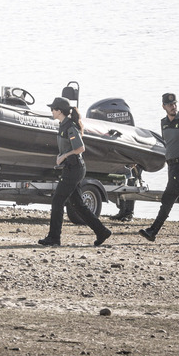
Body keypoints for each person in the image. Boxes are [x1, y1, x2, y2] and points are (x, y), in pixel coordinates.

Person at [38, 96, 112, 248]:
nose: (51, 111)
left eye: (52, 109)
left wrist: (63, 156)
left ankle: (54, 238)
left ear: (59, 111)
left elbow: (80, 148)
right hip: (71, 168)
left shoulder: (70, 127)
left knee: (57, 201)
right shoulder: (63, 125)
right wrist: (62, 157)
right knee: (78, 205)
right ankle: (102, 231)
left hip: (75, 169)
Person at [140, 92, 179, 244]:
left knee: (168, 197)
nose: (173, 107)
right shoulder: (164, 123)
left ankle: (153, 230)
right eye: (170, 105)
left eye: (175, 104)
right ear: (164, 107)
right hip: (172, 166)